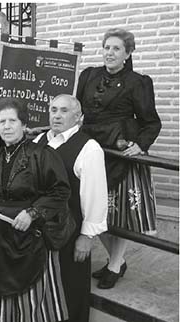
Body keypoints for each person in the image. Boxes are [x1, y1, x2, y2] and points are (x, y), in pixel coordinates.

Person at [76, 28, 161, 289]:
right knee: (91, 209)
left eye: (116, 49)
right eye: (106, 47)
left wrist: (141, 145)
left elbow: (151, 122)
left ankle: (114, 264)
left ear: (128, 53)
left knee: (119, 214)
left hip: (120, 154)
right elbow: (77, 110)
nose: (109, 53)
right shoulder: (89, 75)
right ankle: (118, 261)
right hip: (92, 149)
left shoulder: (138, 82)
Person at [0, 97, 70, 322]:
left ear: (24, 125)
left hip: (30, 241)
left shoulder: (42, 154)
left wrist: (32, 213)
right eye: (1, 121)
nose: (6, 126)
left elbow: (60, 191)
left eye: (12, 121)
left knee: (31, 306)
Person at [33, 94, 108, 322]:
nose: (57, 115)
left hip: (71, 230)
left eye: (64, 111)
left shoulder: (89, 148)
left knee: (71, 288)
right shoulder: (39, 141)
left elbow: (95, 195)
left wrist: (87, 236)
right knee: (43, 287)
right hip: (40, 231)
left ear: (78, 117)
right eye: (53, 109)